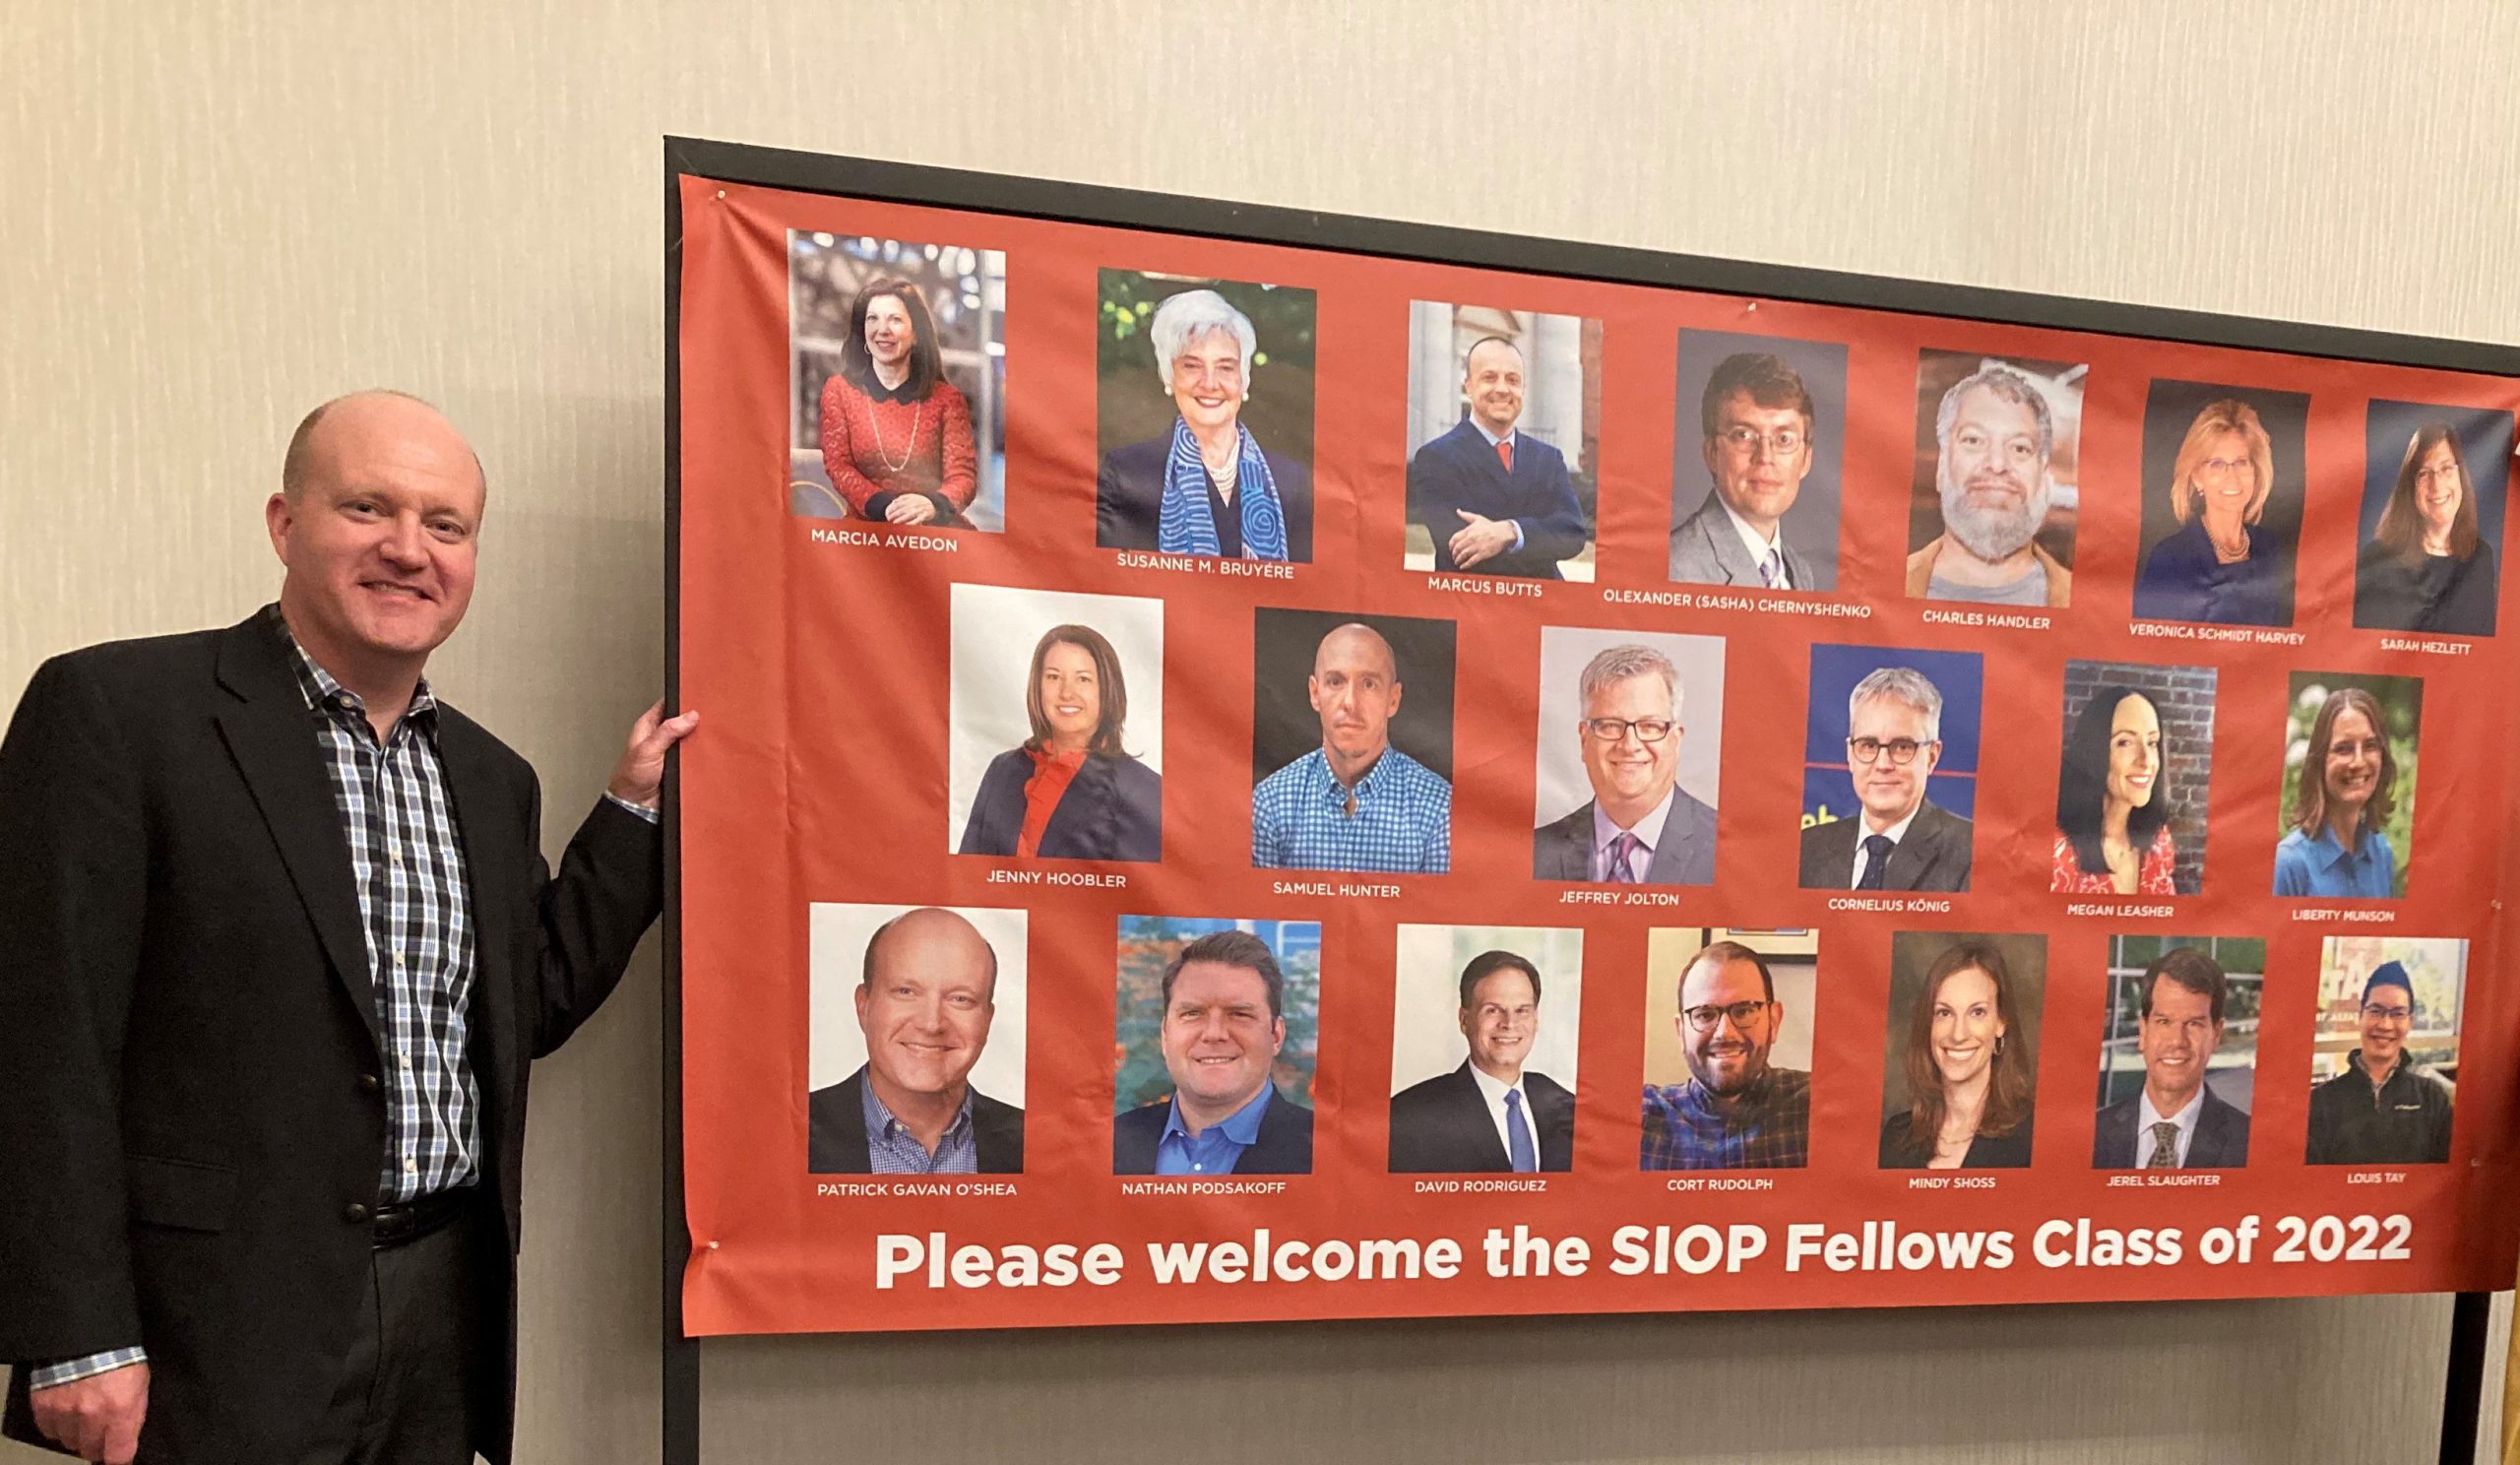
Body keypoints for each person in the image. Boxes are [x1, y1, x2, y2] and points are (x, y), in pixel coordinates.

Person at [0, 391, 695, 1465]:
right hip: (213, 1328)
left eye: (445, 525)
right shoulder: (116, 713)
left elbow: (527, 1001)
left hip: (436, 1313)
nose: (408, 550)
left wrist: (635, 809)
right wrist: (74, 1335)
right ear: (286, 524)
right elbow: (42, 1039)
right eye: (368, 508)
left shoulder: (488, 776)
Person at [1096, 287, 1312, 561]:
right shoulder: (1126, 474)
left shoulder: (1290, 481)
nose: (1210, 384)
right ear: (1168, 376)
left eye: (1225, 367)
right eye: (1191, 365)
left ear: (1244, 380)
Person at [806, 909, 1024, 1175]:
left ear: (987, 1020)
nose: (931, 1024)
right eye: (906, 992)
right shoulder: (787, 1132)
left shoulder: (1033, 1141)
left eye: (960, 999)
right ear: (863, 1006)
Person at [1253, 622, 1451, 874]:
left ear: (1393, 699)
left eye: (1369, 684)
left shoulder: (1440, 809)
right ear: (1315, 693)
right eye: (1335, 681)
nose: (1350, 703)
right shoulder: (1270, 803)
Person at [1112, 930, 1313, 1175]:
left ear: (1276, 1035)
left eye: (1239, 1014)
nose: (1214, 1033)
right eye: (1192, 1013)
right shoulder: (1112, 1142)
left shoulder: (1322, 1151)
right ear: (1165, 1035)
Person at [957, 624, 1161, 862]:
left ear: (1106, 689)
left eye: (1083, 679)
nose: (1066, 693)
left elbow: (1141, 894)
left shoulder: (1143, 789)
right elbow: (967, 875)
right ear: (1038, 686)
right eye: (1053, 677)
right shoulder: (1003, 769)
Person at [1405, 336, 1588, 578]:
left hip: (1544, 607)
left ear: (1522, 388)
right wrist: (1541, 539)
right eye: (1489, 377)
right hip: (1472, 605)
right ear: (1468, 385)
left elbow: (1572, 534)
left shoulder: (1548, 459)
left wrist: (1510, 532)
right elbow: (1460, 550)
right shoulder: (1436, 457)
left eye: (1512, 380)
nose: (1502, 389)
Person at [1533, 644, 1715, 884]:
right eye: (1610, 725)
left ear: (1676, 740)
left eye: (1650, 726)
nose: (1630, 746)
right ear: (1584, 739)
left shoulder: (1721, 847)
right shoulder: (1537, 852)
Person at [812, 277, 980, 526]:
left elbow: (963, 477)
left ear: (916, 335)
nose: (883, 330)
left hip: (932, 528)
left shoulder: (948, 399)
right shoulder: (838, 390)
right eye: (873, 319)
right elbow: (839, 466)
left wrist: (933, 505)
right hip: (867, 528)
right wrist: (885, 507)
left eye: (895, 319)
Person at [1388, 950, 1575, 1173]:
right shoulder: (1409, 1117)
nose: (1509, 1023)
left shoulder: (1567, 1108)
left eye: (1521, 1010)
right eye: (1493, 1010)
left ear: (1535, 1020)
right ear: (1465, 1021)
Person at [1905, 363, 2072, 606]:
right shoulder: (1877, 590)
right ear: (1941, 468)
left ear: (2045, 479)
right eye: (1974, 440)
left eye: (2020, 448)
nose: (1996, 464)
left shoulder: (2092, 609)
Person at [1796, 666, 1973, 892]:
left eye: (1901, 747)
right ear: (1850, 754)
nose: (1883, 765)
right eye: (1868, 745)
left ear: (1931, 756)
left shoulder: (1971, 853)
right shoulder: (1807, 850)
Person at [1641, 941, 1810, 1170]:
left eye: (1744, 1011)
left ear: (1774, 1020)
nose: (1724, 1033)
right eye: (1704, 1015)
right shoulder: (1642, 1117)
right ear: (1681, 1031)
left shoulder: (1819, 1105)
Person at [2130, 399, 2291, 625]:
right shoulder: (2169, 558)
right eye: (2217, 464)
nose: (2231, 476)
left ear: (2256, 470)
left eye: (2241, 462)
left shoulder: (2271, 548)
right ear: (2197, 477)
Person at [1669, 352, 1822, 589]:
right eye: (1744, 435)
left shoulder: (1801, 573)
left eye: (1783, 439)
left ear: (1805, 460)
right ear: (1712, 453)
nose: (1765, 457)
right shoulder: (1678, 568)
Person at [1877, 942, 2037, 1169]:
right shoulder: (1896, 1136)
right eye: (1944, 1013)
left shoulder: (2034, 1136)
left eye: (1977, 1012)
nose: (1958, 1034)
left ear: (2001, 1022)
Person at [2091, 947, 2250, 1169]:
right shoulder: (2093, 1135)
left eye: (2194, 1023)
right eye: (2164, 1022)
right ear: (2143, 1032)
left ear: (2215, 1034)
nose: (2177, 1041)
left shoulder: (2247, 1144)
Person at [2355, 419, 2500, 636]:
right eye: (2424, 473)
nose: (2437, 485)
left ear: (2461, 476)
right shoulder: (2376, 560)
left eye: (2446, 469)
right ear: (2409, 486)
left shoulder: (2481, 558)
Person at [2304, 961, 2454, 1165]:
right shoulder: (2320, 1102)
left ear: (2410, 1022)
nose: (2385, 1024)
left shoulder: (2433, 1099)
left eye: (2397, 1014)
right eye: (2376, 1011)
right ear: (2360, 1016)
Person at [2050, 686, 2181, 895]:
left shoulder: (2159, 839)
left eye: (2152, 742)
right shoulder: (2057, 852)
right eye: (2124, 742)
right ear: (2092, 753)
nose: (2146, 761)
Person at [2273, 686, 2400, 898]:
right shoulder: (2289, 863)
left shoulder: (2382, 853)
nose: (2358, 761)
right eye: (2344, 748)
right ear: (2319, 761)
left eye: (2370, 746)